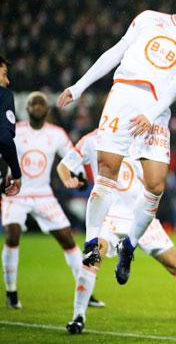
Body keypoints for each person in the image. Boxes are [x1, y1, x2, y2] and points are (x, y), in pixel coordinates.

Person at [57, 0, 176, 284]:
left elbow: (175, 90)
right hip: (124, 94)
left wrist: (151, 113)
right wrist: (79, 87)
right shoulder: (148, 19)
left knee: (155, 185)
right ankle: (92, 243)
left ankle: (128, 246)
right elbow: (116, 52)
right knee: (107, 172)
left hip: (156, 110)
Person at [57, 129, 176, 333]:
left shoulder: (144, 137)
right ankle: (78, 317)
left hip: (141, 217)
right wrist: (67, 179)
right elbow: (64, 165)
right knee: (91, 261)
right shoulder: (92, 139)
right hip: (109, 217)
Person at [1, 92, 103, 308]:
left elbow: (71, 157)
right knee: (12, 235)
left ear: (47, 110)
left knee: (68, 239)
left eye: (41, 103)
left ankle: (86, 291)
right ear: (26, 109)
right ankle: (11, 292)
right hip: (16, 193)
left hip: (43, 194)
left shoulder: (56, 134)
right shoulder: (15, 130)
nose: (37, 106)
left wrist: (80, 179)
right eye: (32, 103)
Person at [0, 56, 21, 198]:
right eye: (4, 74)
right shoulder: (4, 95)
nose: (7, 81)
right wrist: (16, 174)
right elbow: (4, 138)